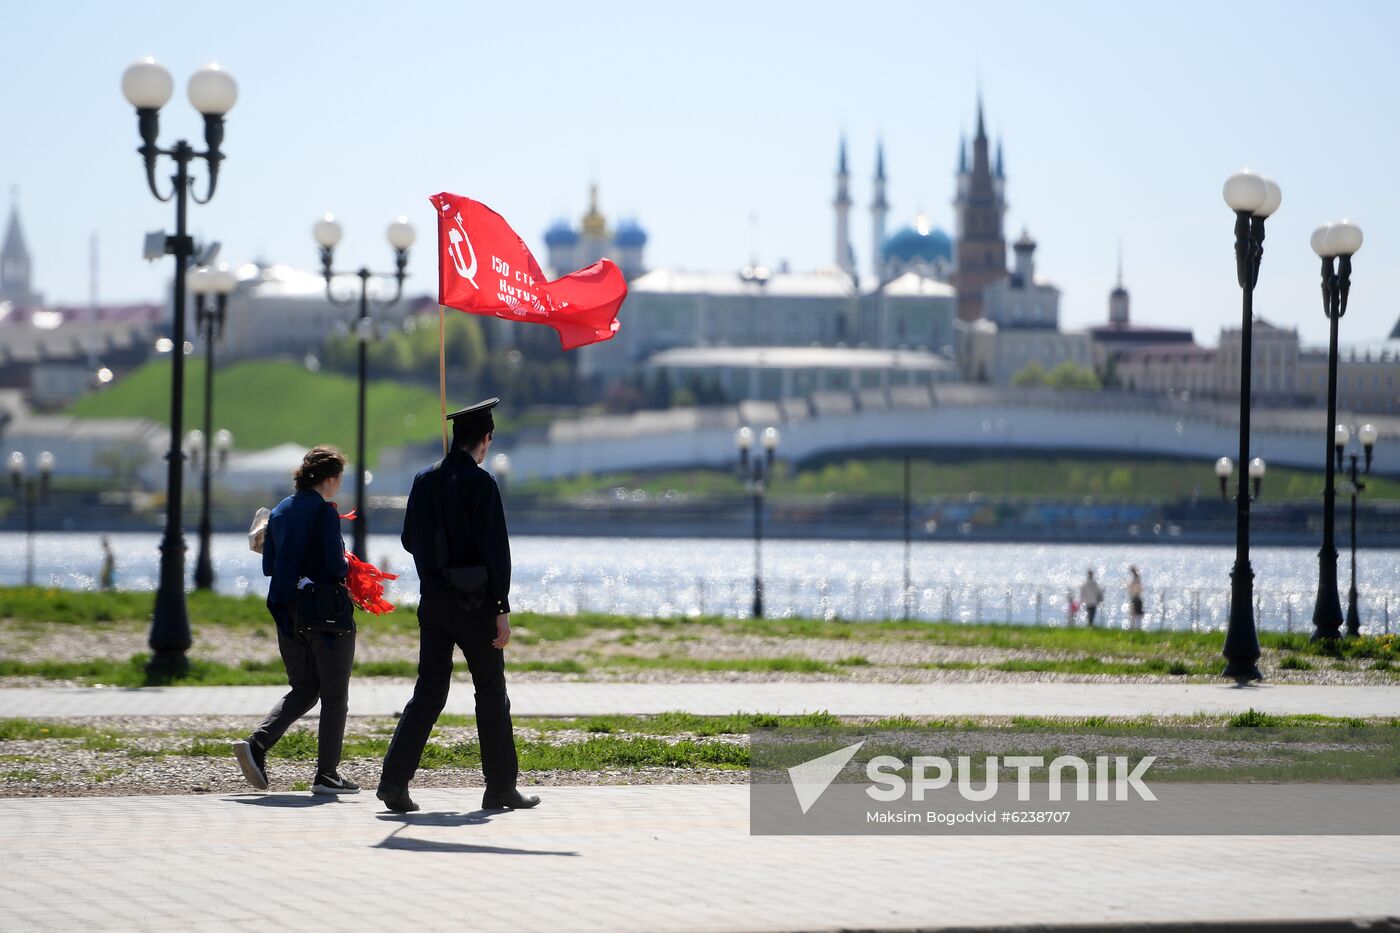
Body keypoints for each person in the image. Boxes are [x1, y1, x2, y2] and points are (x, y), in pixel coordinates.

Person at [377, 398, 539, 814]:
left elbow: (409, 540)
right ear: (484, 441)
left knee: (428, 692)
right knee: (490, 693)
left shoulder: (423, 481)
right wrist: (501, 608)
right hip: (476, 607)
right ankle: (500, 787)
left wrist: (437, 567)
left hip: (434, 604)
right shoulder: (483, 484)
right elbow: (496, 552)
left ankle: (394, 782)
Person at [232, 446, 359, 796]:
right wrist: (351, 565)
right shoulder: (324, 512)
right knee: (335, 695)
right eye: (340, 478)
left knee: (305, 688)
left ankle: (257, 745)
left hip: (287, 610)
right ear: (330, 479)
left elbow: (269, 566)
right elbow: (335, 567)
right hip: (325, 615)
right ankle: (327, 774)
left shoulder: (280, 510)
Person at [1128, 566, 1144, 631]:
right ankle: (1134, 627)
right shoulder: (1137, 578)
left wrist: (1129, 587)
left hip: (1135, 597)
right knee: (1136, 613)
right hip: (1136, 597)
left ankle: (1133, 627)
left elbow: (1134, 588)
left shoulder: (1136, 579)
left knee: (1134, 613)